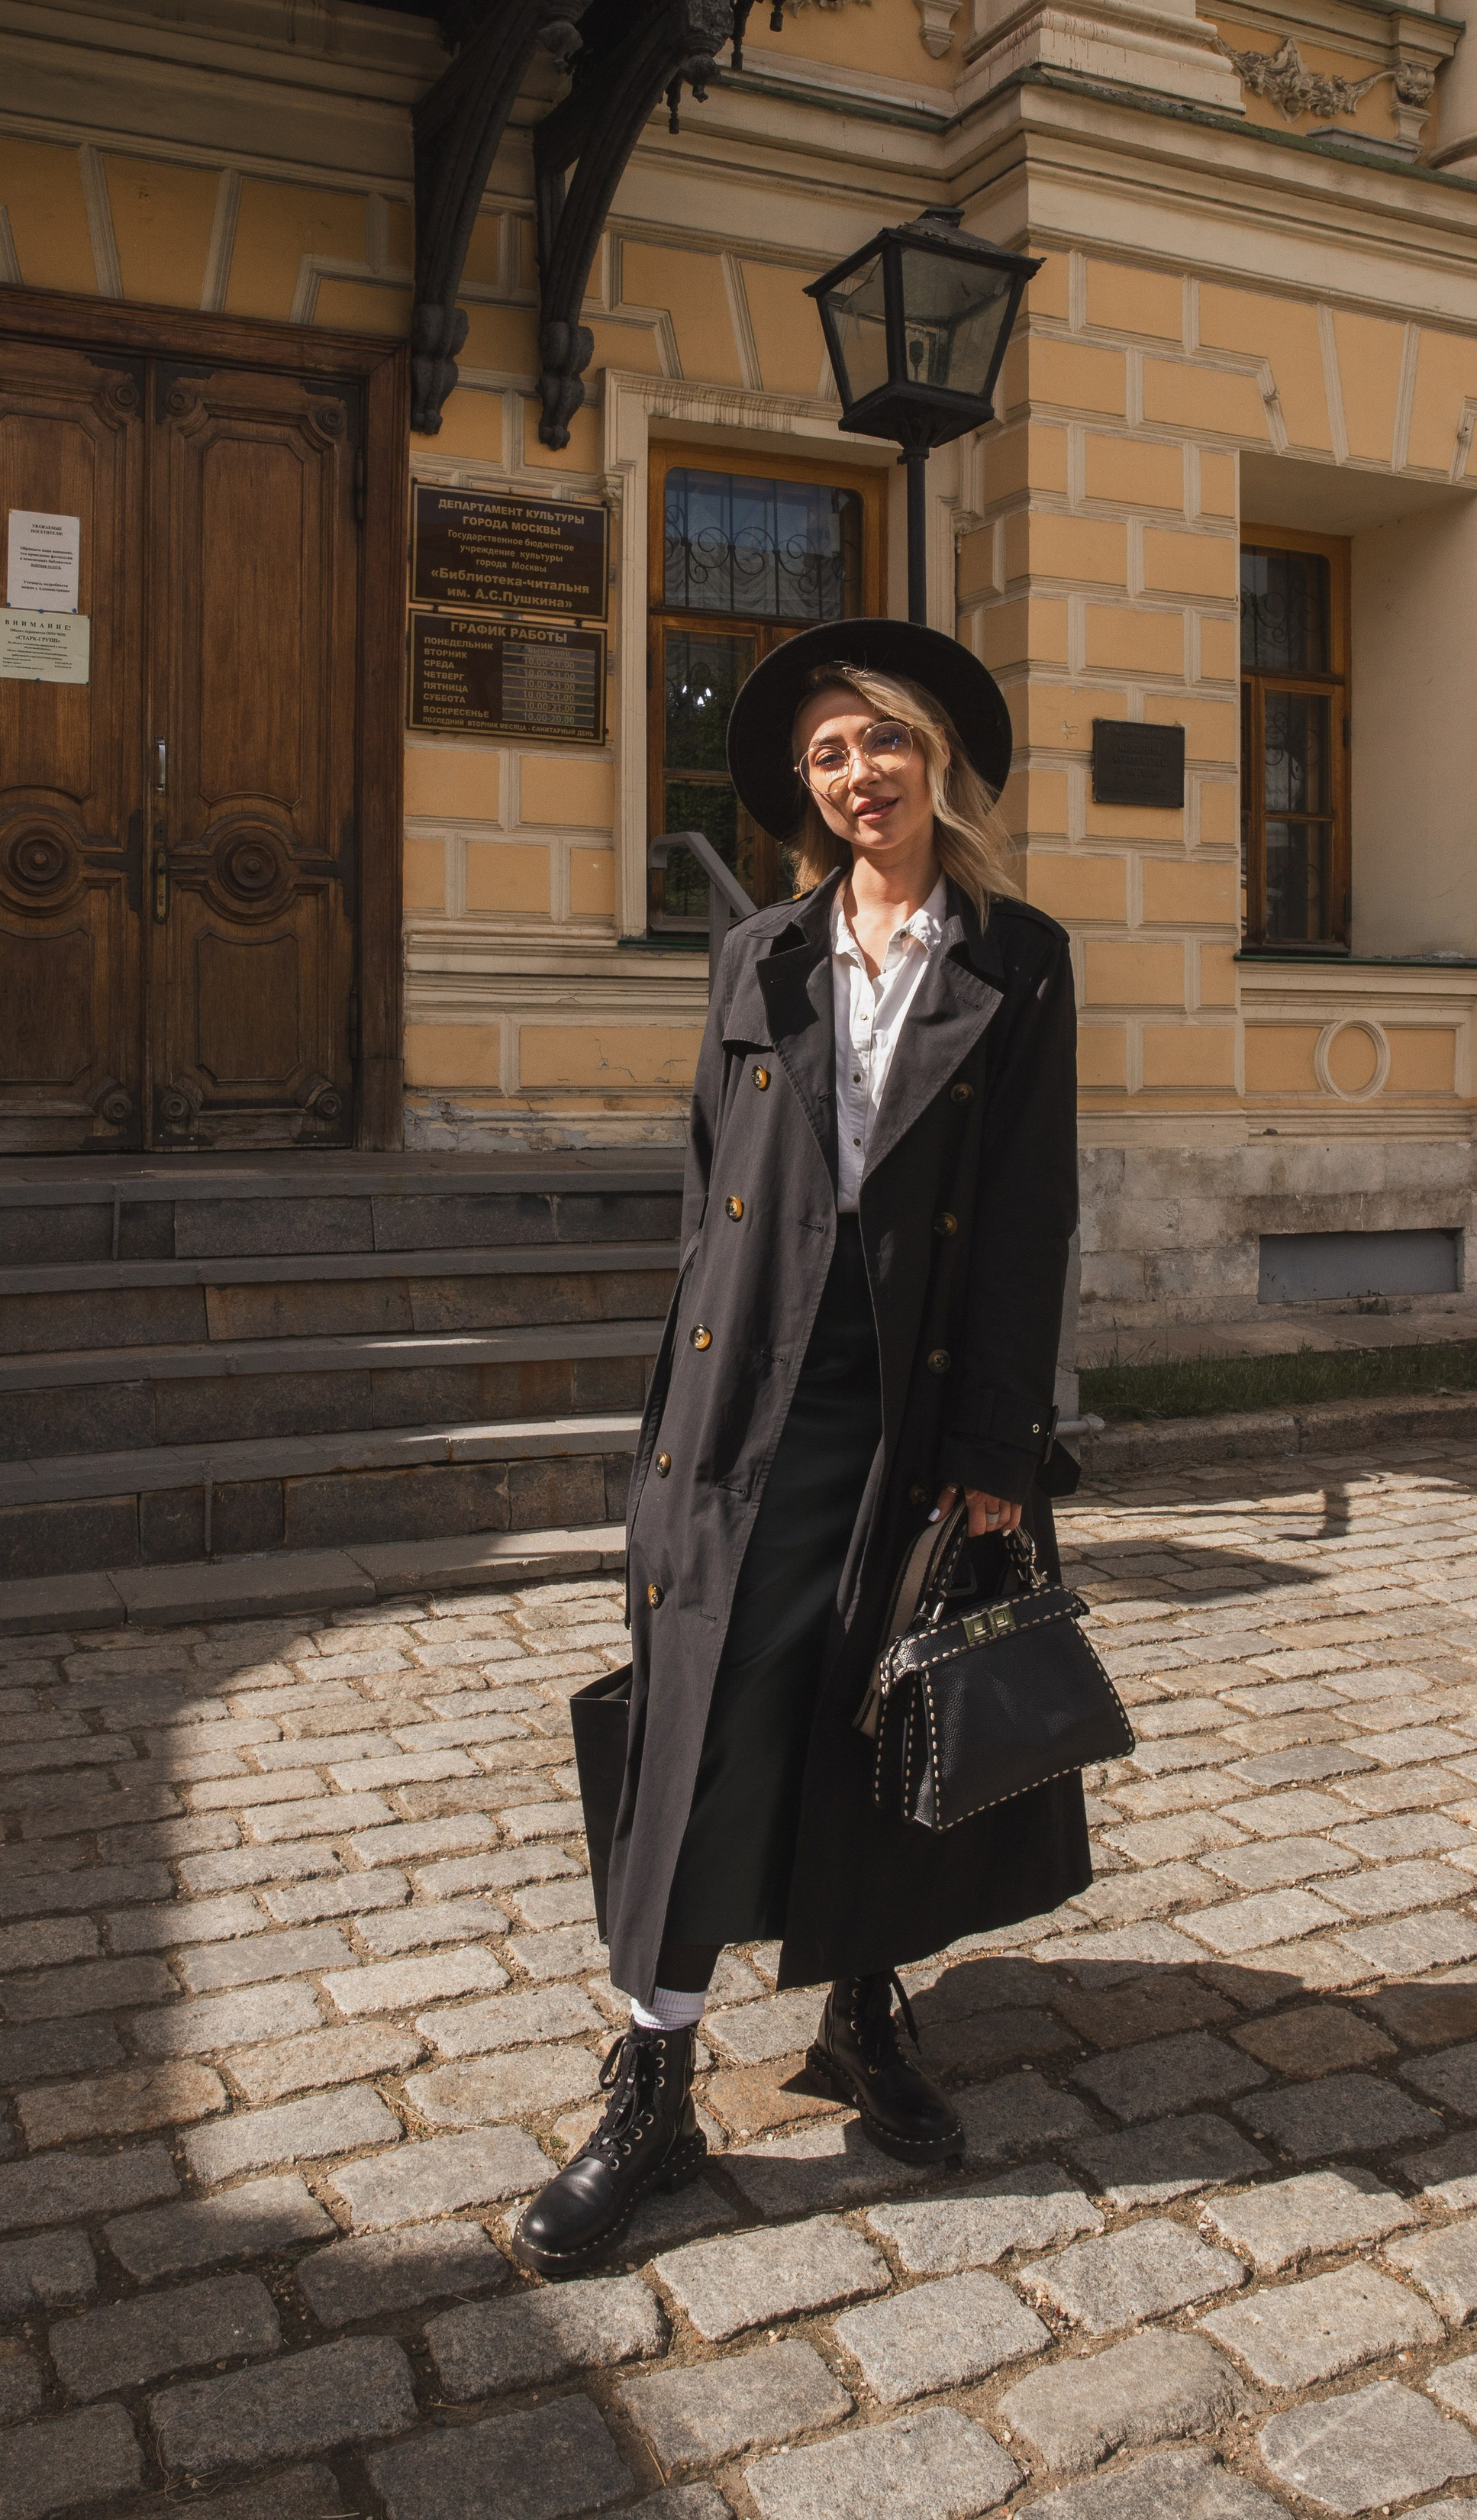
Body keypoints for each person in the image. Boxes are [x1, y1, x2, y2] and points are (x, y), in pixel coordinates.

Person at [516, 615, 1088, 2280]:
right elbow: (708, 1195)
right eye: (830, 754)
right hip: (746, 1397)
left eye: (885, 744)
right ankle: (657, 2078)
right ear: (804, 790)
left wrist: (997, 1434)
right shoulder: (757, 955)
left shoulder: (1019, 958)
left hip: (911, 1397)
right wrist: (675, 1420)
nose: (859, 776)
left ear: (938, 764)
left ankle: (861, 2016)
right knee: (700, 1722)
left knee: (885, 1700)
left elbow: (1028, 1216)